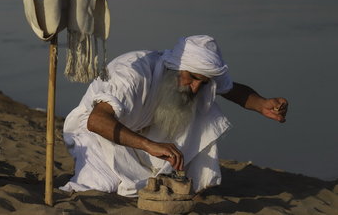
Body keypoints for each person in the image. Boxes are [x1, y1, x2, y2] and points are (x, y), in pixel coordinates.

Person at [60, 35, 288, 197]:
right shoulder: (131, 73)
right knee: (104, 184)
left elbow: (232, 89)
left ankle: (190, 179)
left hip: (141, 130)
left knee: (206, 106)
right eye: (191, 77)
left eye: (203, 81)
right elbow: (97, 121)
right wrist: (149, 145)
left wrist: (262, 104)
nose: (195, 86)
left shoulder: (197, 78)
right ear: (174, 66)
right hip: (96, 132)